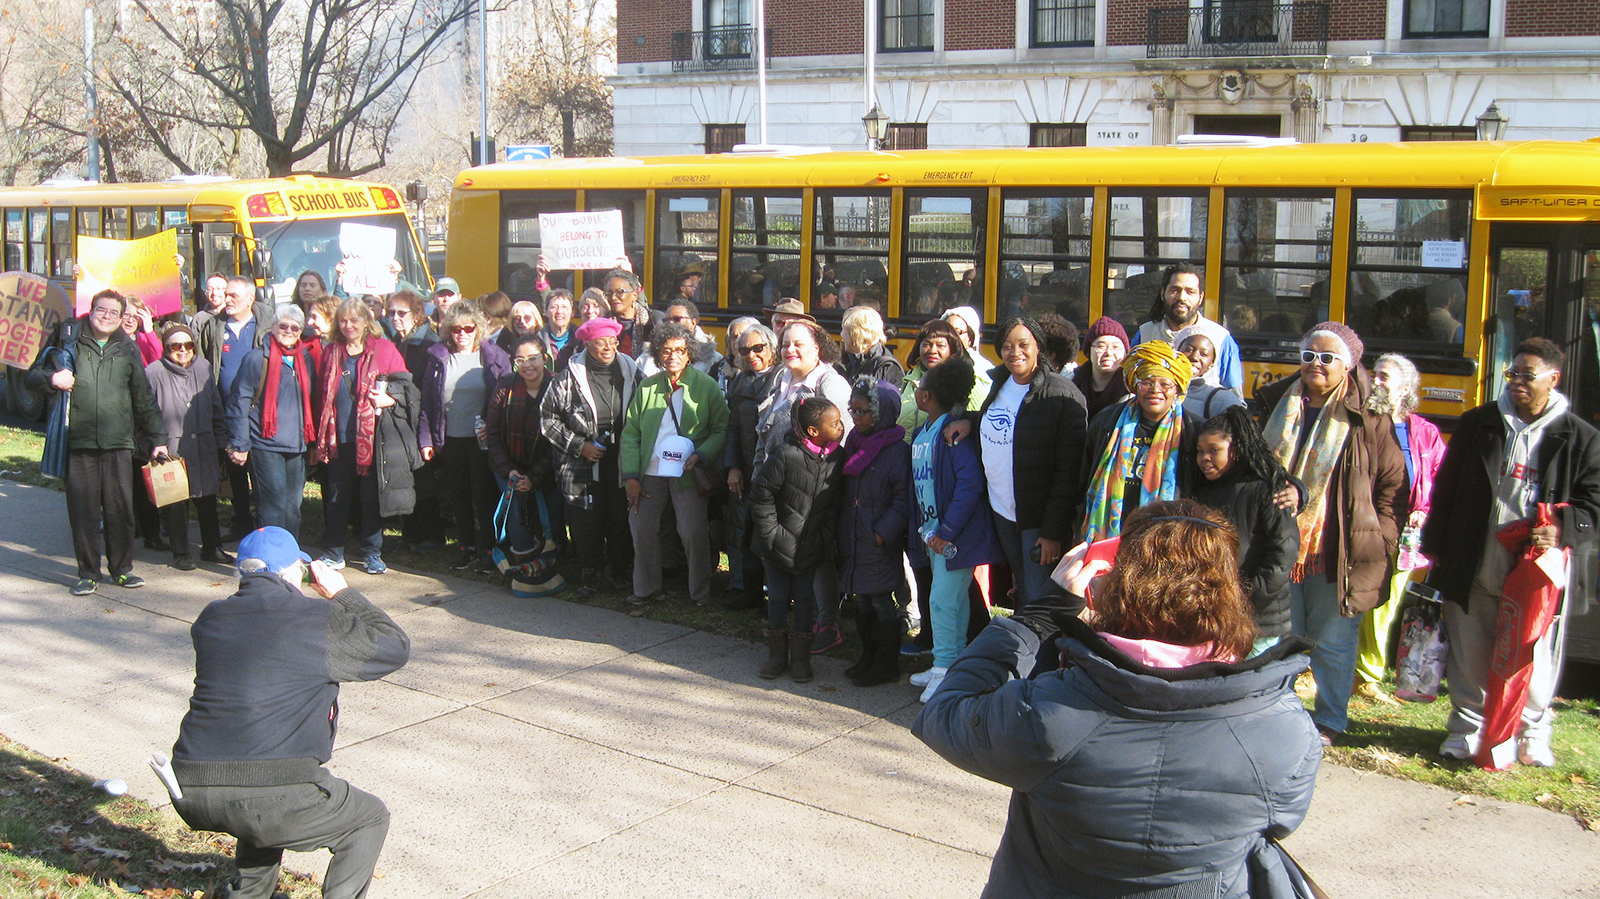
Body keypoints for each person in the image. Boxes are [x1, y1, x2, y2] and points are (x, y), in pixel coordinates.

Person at [913, 501, 1321, 899]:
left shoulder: (1050, 712)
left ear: (1117, 584)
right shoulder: (1282, 728)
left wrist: (1041, 616)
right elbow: (1281, 820)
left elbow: (946, 712)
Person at [169, 527, 408, 899]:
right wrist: (342, 594)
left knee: (264, 780)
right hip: (267, 791)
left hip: (192, 786)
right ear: (296, 571)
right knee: (367, 817)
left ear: (241, 574)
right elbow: (394, 646)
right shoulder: (317, 618)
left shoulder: (211, 619)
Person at [1422, 337, 1600, 767]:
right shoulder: (1478, 424)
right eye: (1512, 374)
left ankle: (1531, 734)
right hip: (1474, 560)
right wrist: (1436, 545)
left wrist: (1561, 526)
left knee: (1534, 658)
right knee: (1470, 653)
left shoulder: (1580, 437)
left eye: (1528, 375)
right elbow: (1445, 488)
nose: (1518, 382)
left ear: (1553, 380)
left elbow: (1594, 503)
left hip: (1537, 574)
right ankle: (1467, 732)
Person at [1255, 321, 1405, 745]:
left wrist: (1382, 541)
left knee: (1332, 640)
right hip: (1278, 544)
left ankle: (1330, 720)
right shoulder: (1274, 403)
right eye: (1308, 356)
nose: (1315, 365)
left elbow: (1392, 487)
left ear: (1349, 365)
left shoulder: (1369, 418)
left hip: (1335, 550)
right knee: (1277, 636)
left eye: (1327, 358)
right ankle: (1274, 714)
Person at [27, 289, 168, 596]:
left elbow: (143, 398)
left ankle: (121, 570)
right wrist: (52, 380)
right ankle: (88, 572)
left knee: (120, 510)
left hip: (118, 442)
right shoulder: (68, 339)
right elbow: (31, 376)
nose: (107, 317)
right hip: (78, 443)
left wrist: (158, 439)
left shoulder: (127, 348)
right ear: (91, 311)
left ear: (121, 317)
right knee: (83, 512)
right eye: (101, 311)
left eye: (114, 313)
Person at [940, 317, 1087, 611]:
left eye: (1023, 344)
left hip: (1037, 518)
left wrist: (1051, 532)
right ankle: (1022, 653)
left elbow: (1070, 472)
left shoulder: (1062, 394)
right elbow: (1007, 427)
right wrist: (971, 421)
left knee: (1039, 595)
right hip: (1003, 511)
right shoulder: (1001, 384)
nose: (1014, 352)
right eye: (1006, 346)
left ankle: (1042, 656)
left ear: (1039, 348)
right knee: (1022, 586)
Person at [909, 360, 1002, 700]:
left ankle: (945, 669)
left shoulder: (952, 434)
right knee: (954, 601)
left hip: (954, 536)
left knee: (942, 601)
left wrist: (948, 529)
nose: (916, 389)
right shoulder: (925, 432)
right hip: (935, 533)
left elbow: (969, 484)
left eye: (919, 385)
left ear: (926, 396)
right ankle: (953, 664)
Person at [1356, 353, 1445, 705]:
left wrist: (1425, 511)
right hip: (1361, 526)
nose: (1375, 381)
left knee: (1386, 605)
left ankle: (1367, 677)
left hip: (1405, 534)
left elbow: (1440, 479)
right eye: (1373, 374)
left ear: (1405, 389)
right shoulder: (1359, 424)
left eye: (1384, 377)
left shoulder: (1424, 432)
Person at [621, 323, 730, 607]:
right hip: (649, 473)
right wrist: (631, 476)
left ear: (689, 353)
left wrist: (701, 455)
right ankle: (645, 589)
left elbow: (721, 428)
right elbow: (631, 433)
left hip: (687, 472)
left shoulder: (705, 386)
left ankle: (700, 591)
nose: (673, 356)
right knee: (641, 528)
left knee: (692, 531)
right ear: (657, 354)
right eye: (666, 351)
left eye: (680, 350)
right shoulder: (647, 387)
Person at [748, 397, 846, 683]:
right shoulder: (785, 455)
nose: (841, 427)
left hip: (811, 546)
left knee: (805, 601)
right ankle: (777, 655)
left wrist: (824, 538)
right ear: (814, 431)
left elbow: (834, 503)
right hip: (776, 546)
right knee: (777, 598)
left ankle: (801, 658)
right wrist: (772, 536)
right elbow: (760, 496)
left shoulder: (836, 458)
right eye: (835, 423)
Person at [314, 298, 415, 575]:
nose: (348, 326)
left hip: (373, 438)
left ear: (366, 321)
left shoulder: (384, 349)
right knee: (336, 495)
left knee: (371, 498)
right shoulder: (331, 351)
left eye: (354, 320)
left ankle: (372, 552)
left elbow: (406, 389)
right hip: (339, 438)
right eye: (343, 321)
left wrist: (389, 399)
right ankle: (333, 552)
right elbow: (321, 393)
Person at [541, 316, 640, 596]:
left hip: (622, 458)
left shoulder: (631, 370)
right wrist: (579, 445)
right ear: (587, 343)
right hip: (582, 462)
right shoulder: (569, 376)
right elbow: (548, 419)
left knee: (620, 517)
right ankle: (590, 572)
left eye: (613, 341)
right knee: (587, 518)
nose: (608, 347)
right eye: (600, 342)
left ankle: (620, 571)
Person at [1194, 406, 1301, 654]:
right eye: (1200, 452)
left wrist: (1245, 600)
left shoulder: (1270, 490)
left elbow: (1282, 553)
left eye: (1214, 451)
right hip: (1218, 613)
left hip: (1260, 619)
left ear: (1238, 450)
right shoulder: (1204, 489)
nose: (1204, 458)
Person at [418, 303, 511, 571]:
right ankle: (466, 546)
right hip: (449, 438)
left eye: (468, 328)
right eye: (456, 328)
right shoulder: (437, 357)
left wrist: (493, 426)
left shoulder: (493, 357)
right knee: (458, 495)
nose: (462, 333)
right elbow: (428, 404)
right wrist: (426, 440)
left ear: (477, 330)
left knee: (483, 496)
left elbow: (505, 400)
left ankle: (489, 549)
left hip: (481, 441)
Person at [1082, 341, 1202, 543]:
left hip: (1168, 537)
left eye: (1165, 384)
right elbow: (1083, 475)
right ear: (1135, 386)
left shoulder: (1194, 431)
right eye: (1146, 382)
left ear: (1177, 389)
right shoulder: (1106, 422)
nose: (1155, 390)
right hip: (1110, 535)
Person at [838, 376, 913, 687]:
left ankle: (886, 663)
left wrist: (882, 533)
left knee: (882, 601)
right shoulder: (855, 443)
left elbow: (902, 499)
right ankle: (867, 656)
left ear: (881, 413)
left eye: (862, 411)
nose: (854, 417)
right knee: (863, 601)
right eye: (852, 410)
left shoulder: (896, 451)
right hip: (856, 537)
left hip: (878, 541)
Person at [194, 276, 276, 539]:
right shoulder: (214, 326)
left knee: (261, 472)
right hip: (227, 412)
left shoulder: (265, 326)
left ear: (250, 299)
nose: (226, 300)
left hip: (259, 411)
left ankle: (265, 527)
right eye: (225, 294)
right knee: (235, 471)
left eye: (233, 296)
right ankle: (241, 520)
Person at [227, 307, 316, 542]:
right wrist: (240, 443)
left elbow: (313, 399)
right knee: (272, 509)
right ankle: (271, 559)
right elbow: (240, 401)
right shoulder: (257, 358)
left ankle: (289, 555)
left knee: (292, 510)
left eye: (294, 327)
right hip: (265, 443)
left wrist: (314, 443)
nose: (288, 331)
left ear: (300, 332)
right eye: (283, 326)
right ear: (273, 327)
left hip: (296, 445)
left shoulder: (304, 359)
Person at [147, 324, 231, 570]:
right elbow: (147, 411)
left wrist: (220, 439)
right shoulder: (154, 372)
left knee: (207, 499)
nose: (182, 350)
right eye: (176, 346)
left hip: (204, 443)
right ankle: (180, 551)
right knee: (176, 501)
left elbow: (216, 405)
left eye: (188, 345)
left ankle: (212, 547)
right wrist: (155, 442)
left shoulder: (203, 367)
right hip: (172, 446)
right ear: (166, 348)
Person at [484, 334, 560, 558]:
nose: (527, 365)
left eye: (533, 358)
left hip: (548, 469)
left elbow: (559, 439)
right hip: (510, 468)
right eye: (520, 360)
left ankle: (550, 562)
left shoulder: (558, 385)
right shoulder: (505, 386)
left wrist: (534, 477)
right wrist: (510, 471)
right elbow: (493, 433)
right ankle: (523, 563)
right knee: (517, 520)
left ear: (544, 358)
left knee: (552, 518)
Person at [723, 323, 780, 611]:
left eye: (758, 348)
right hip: (745, 467)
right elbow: (731, 428)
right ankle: (750, 591)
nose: (752, 355)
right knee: (743, 530)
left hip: (772, 471)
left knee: (767, 534)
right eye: (745, 350)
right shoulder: (739, 382)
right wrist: (732, 467)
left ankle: (777, 597)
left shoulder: (783, 379)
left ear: (772, 348)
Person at [1132, 262, 1243, 391]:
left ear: (1200, 298)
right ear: (1163, 294)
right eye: (1175, 290)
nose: (1182, 297)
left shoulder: (1220, 338)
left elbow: (1235, 399)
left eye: (1190, 292)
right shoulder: (1144, 335)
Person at [897, 318, 989, 441]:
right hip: (910, 455)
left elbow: (980, 421)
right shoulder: (910, 379)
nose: (932, 351)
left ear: (953, 349)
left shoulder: (969, 382)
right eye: (926, 344)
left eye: (940, 345)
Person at [1072, 317, 1132, 421]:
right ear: (1089, 351)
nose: (1108, 353)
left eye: (1116, 347)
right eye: (1101, 346)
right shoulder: (1071, 382)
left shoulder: (1131, 390)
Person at [1178, 329, 1245, 420]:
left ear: (1212, 362)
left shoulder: (1224, 399)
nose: (1195, 357)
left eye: (1204, 354)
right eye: (1189, 350)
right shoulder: (1162, 388)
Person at [602, 268, 663, 358]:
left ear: (634, 295)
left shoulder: (655, 321)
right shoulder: (603, 324)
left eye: (619, 292)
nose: (613, 297)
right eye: (609, 293)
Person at [840, 306, 904, 385]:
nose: (841, 334)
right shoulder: (851, 361)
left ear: (855, 333)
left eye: (843, 329)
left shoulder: (886, 367)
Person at [541, 288, 576, 366]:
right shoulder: (537, 341)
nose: (559, 312)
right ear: (546, 312)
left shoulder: (581, 341)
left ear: (572, 313)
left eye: (564, 307)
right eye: (554, 307)